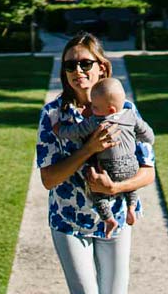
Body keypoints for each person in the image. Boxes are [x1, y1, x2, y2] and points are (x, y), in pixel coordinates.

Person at [35, 32, 156, 294]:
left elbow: (148, 169)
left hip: (115, 222)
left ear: (102, 66)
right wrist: (87, 148)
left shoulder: (125, 110)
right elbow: (48, 178)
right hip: (69, 222)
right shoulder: (54, 115)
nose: (76, 71)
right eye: (69, 64)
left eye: (84, 63)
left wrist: (114, 190)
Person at [54, 77, 152, 237]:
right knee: (131, 187)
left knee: (96, 192)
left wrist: (60, 130)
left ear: (111, 110)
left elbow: (76, 131)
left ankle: (108, 219)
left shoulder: (97, 121)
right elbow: (148, 134)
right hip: (131, 166)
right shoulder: (131, 115)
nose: (92, 108)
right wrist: (144, 138)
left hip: (108, 168)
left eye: (95, 106)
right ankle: (131, 207)